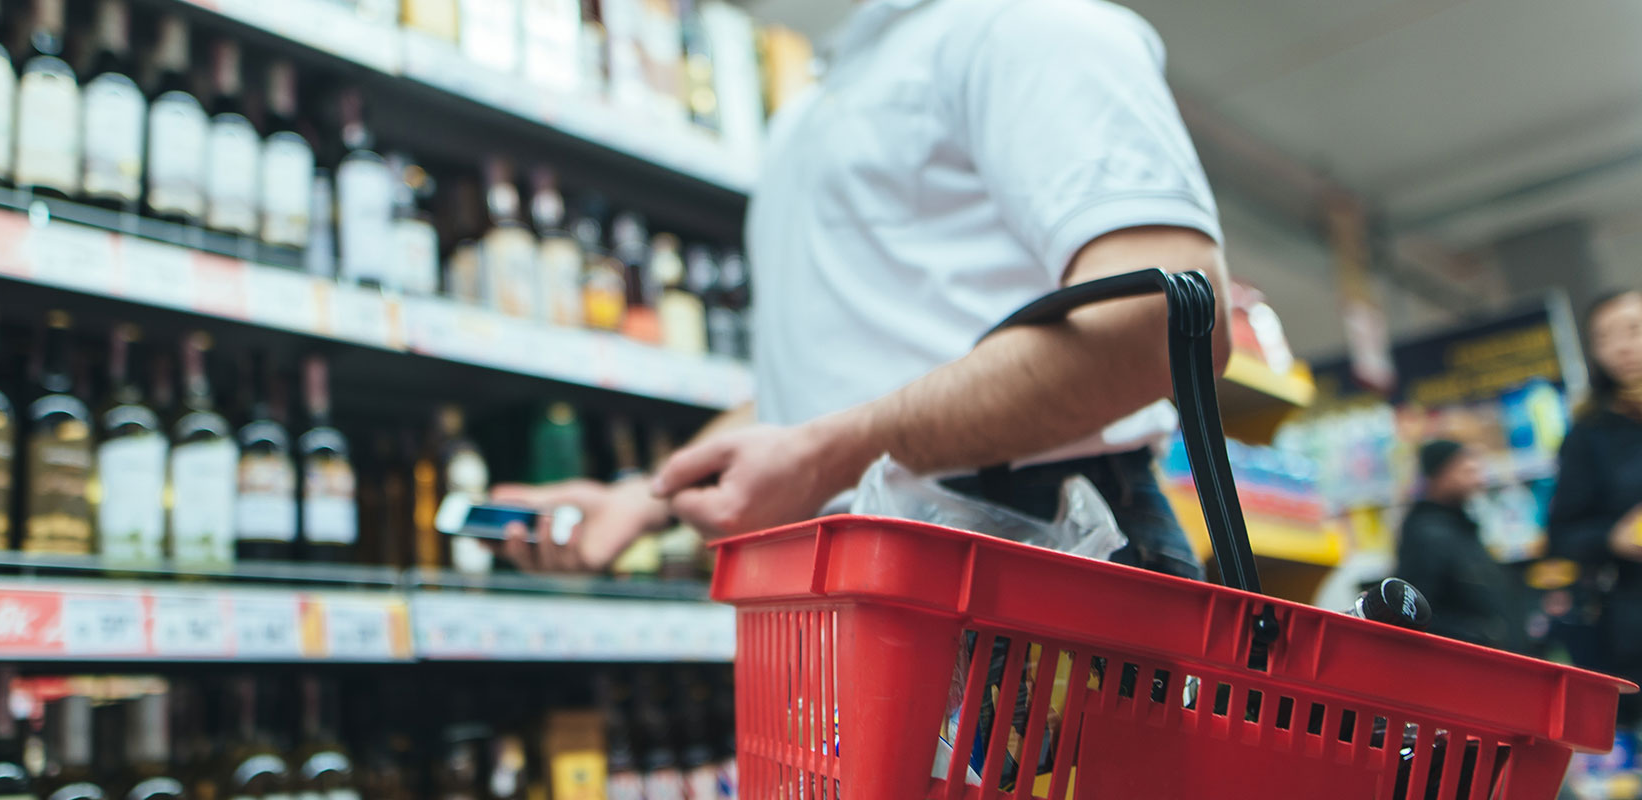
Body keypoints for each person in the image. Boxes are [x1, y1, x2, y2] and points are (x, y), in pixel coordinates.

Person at [496, 0, 1229, 579]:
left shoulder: (1028, 24)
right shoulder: (822, 98)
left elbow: (1165, 317)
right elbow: (823, 396)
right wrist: (646, 498)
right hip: (862, 561)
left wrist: (825, 457)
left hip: (1037, 540)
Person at [1549, 289, 1642, 717]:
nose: (1621, 347)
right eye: (1605, 338)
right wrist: (1613, 538)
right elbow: (1562, 534)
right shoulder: (1590, 435)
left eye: (1634, 330)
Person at [1394, 440, 1519, 649]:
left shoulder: (1459, 525)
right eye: (1465, 470)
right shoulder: (1427, 534)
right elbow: (1417, 608)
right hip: (1464, 657)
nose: (1477, 479)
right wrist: (1478, 636)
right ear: (1440, 474)